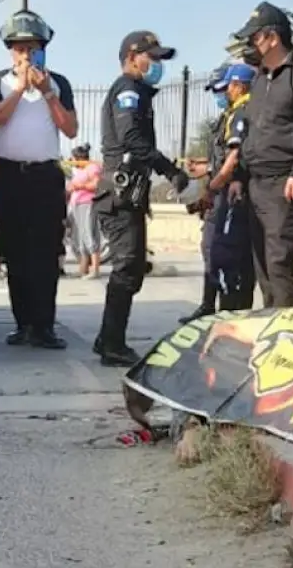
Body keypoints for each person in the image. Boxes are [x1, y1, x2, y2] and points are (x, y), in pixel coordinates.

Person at [0, 10, 77, 349]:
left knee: (46, 252)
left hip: (45, 175)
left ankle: (44, 325)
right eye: (20, 49)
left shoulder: (59, 83)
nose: (26, 55)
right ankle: (23, 323)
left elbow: (70, 128)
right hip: (10, 174)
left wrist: (48, 93)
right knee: (16, 253)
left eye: (33, 48)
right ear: (10, 51)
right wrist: (21, 89)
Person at [94, 30, 189, 367]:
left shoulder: (139, 93)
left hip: (128, 195)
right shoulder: (128, 91)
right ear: (132, 58)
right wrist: (170, 170)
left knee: (132, 268)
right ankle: (112, 345)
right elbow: (131, 138)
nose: (158, 64)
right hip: (118, 196)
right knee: (127, 268)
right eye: (153, 57)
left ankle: (108, 338)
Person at [228, 2, 293, 309]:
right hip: (256, 184)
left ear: (272, 38)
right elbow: (250, 135)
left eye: (255, 38)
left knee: (279, 260)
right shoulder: (260, 80)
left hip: (284, 183)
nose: (251, 45)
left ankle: (287, 331)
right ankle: (271, 323)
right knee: (262, 262)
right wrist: (238, 177)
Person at [179, 62, 230, 324]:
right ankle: (208, 305)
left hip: (228, 194)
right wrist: (205, 167)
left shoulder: (240, 116)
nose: (218, 95)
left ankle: (224, 309)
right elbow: (220, 158)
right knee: (209, 249)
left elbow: (234, 158)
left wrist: (212, 176)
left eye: (221, 89)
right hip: (216, 194)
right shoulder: (224, 119)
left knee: (220, 253)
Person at [207, 62, 257, 312]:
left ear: (238, 86)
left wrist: (213, 186)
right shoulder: (249, 108)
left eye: (229, 87)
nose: (226, 92)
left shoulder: (242, 111)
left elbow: (235, 155)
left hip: (236, 193)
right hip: (244, 190)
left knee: (227, 255)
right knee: (240, 259)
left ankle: (230, 313)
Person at [67, 144, 102, 279]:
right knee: (80, 237)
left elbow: (96, 185)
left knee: (90, 234)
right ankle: (83, 268)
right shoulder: (79, 171)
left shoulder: (93, 168)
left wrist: (80, 186)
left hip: (88, 203)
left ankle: (95, 269)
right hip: (77, 204)